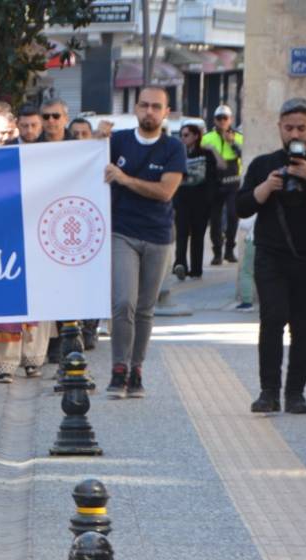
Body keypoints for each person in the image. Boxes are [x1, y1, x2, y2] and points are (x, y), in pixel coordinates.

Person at [236, 97, 306, 415]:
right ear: (279, 127)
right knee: (272, 319)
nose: (295, 134)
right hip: (271, 255)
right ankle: (268, 392)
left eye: (301, 128)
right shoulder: (264, 164)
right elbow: (240, 206)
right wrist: (265, 188)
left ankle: (295, 393)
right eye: (288, 127)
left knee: (303, 326)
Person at [102, 86, 187, 399]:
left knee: (145, 310)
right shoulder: (119, 141)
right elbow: (85, 161)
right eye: (144, 105)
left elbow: (166, 191)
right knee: (123, 302)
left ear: (166, 112)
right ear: (135, 109)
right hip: (121, 231)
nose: (149, 111)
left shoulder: (173, 148)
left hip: (158, 235)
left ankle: (136, 368)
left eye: (156, 107)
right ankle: (118, 368)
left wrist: (124, 179)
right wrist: (96, 139)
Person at [173, 119, 223, 280]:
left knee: (197, 236)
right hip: (182, 200)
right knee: (181, 233)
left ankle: (196, 269)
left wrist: (214, 149)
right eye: (181, 135)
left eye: (186, 135)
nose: (183, 138)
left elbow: (221, 166)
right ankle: (180, 264)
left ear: (195, 136)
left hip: (201, 201)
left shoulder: (206, 154)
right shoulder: (178, 154)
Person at [201, 104, 245, 265]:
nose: (222, 121)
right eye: (219, 118)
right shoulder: (206, 138)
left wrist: (232, 143)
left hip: (233, 182)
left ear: (230, 119)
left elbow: (245, 155)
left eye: (225, 118)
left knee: (233, 215)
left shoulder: (238, 137)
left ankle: (229, 250)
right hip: (214, 182)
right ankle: (217, 252)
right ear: (214, 120)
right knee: (215, 219)